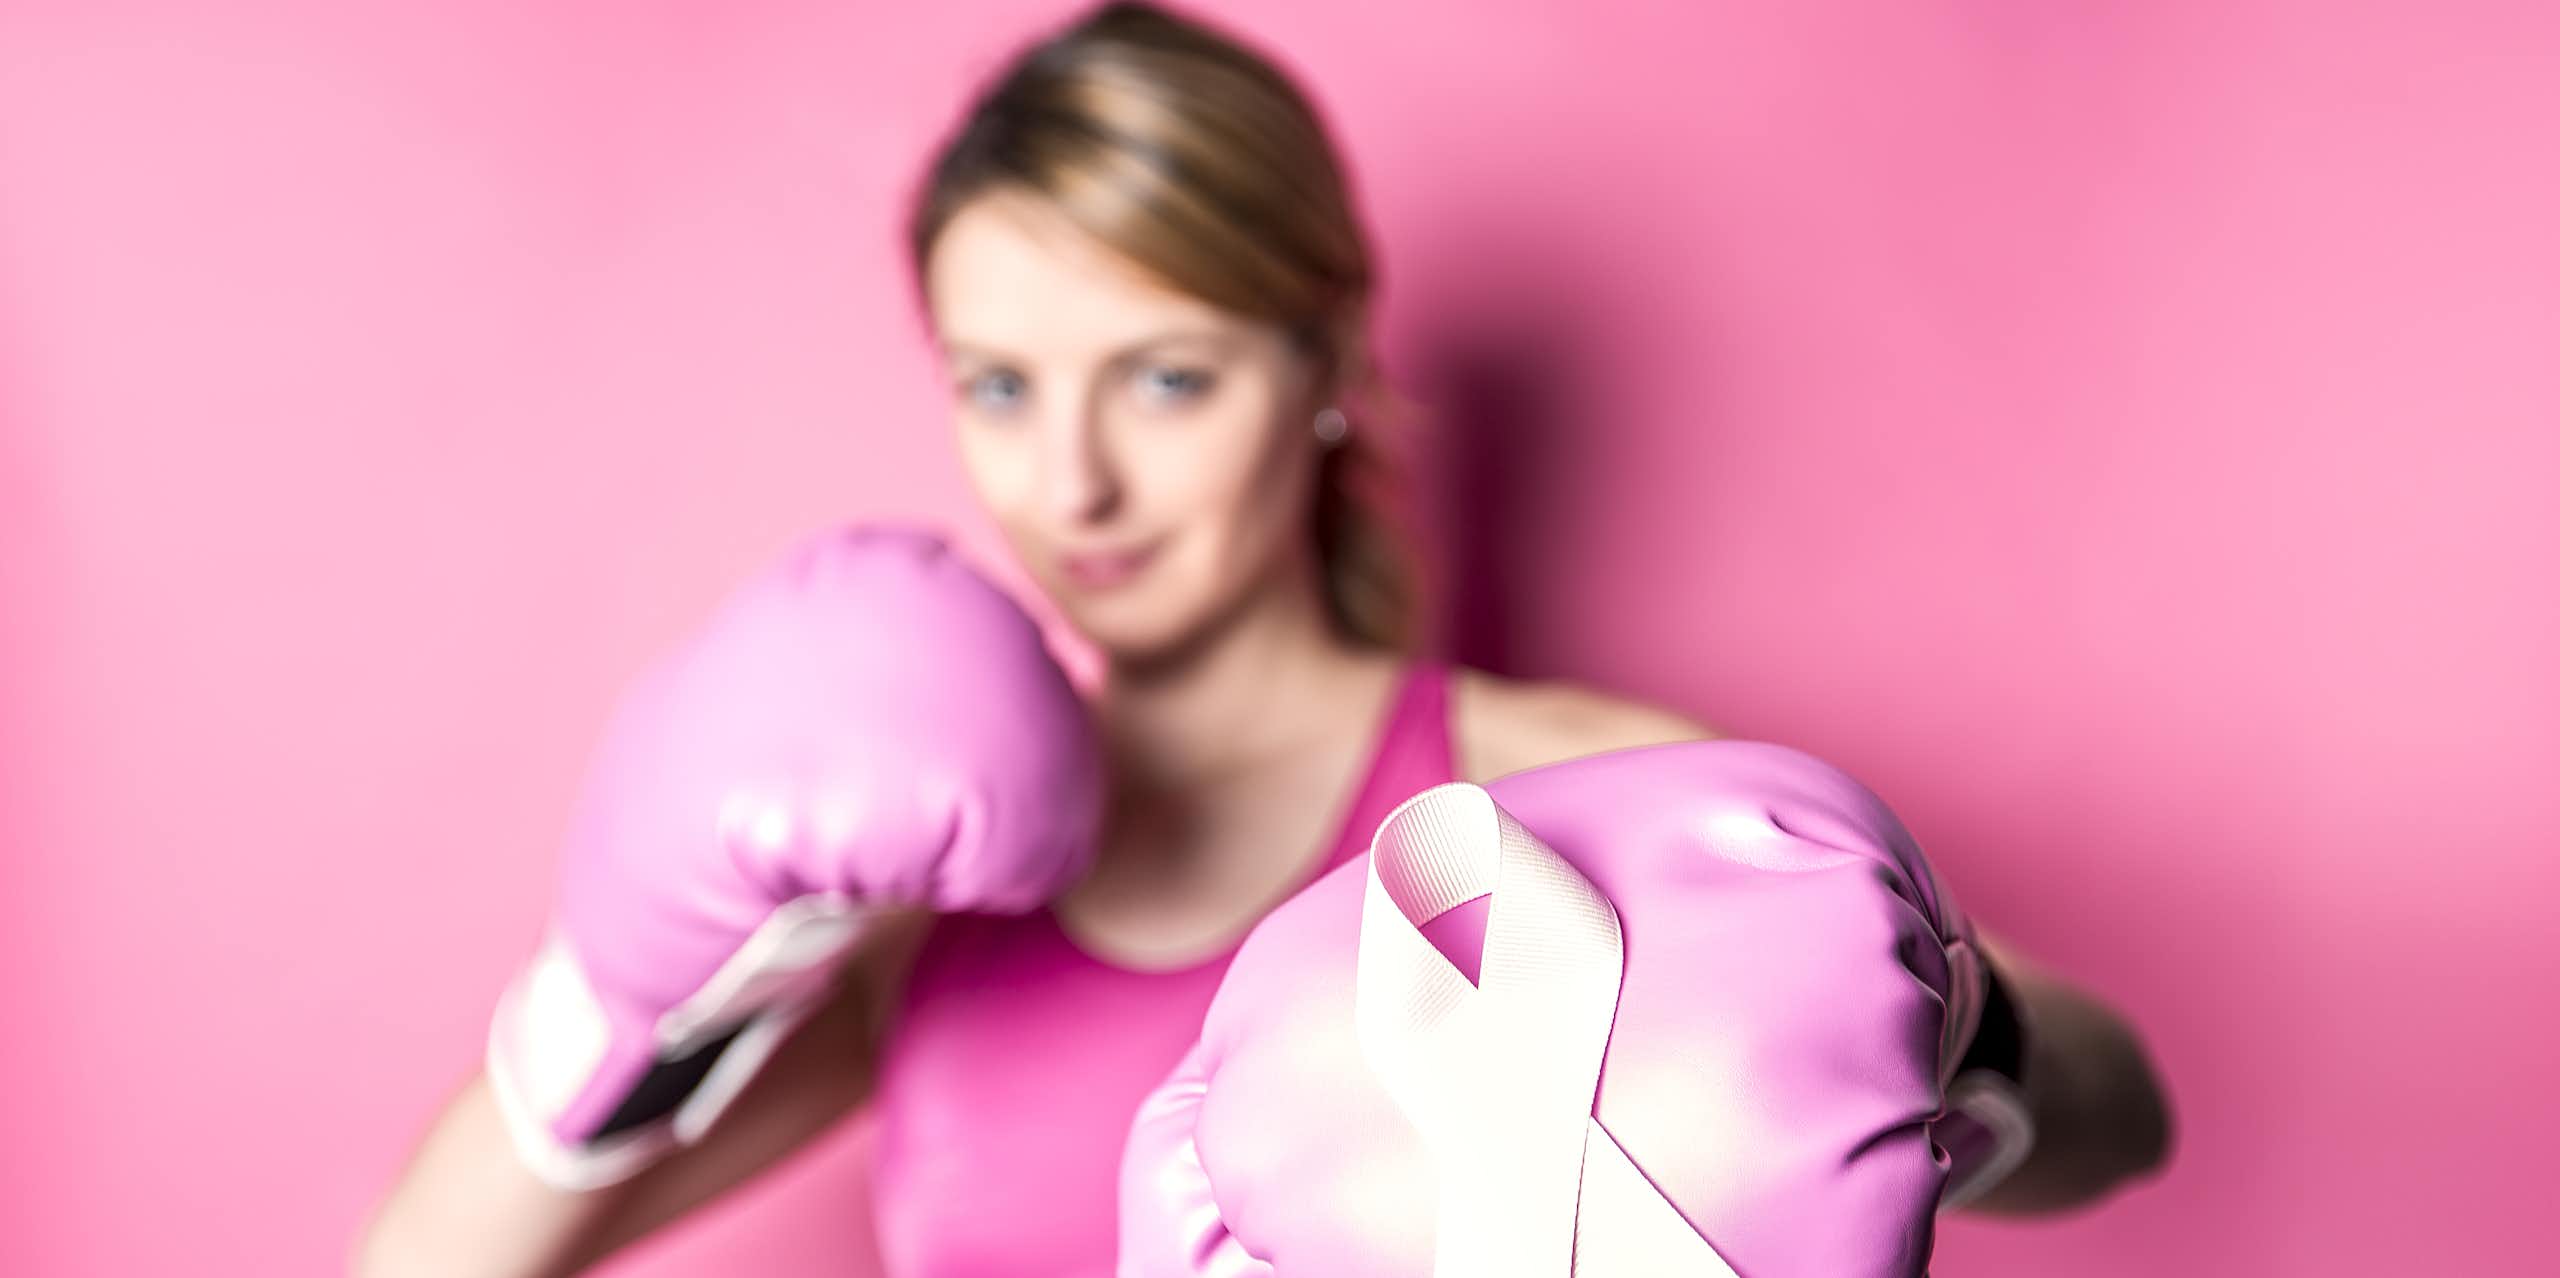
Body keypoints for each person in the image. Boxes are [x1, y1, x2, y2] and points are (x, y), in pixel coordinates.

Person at [355, 4, 2171, 1275]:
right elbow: (432, 1258)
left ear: (1321, 364)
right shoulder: (909, 894)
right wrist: (617, 980)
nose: (1073, 478)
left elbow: (2119, 1111)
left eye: (1166, 375)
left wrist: (1939, 1022)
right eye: (1000, 383)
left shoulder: (1532, 807)